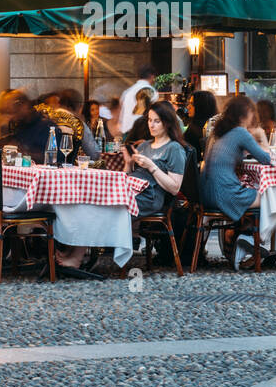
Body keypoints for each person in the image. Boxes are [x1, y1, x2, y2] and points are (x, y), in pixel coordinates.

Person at [54, 101, 188, 273]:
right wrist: (128, 163)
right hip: (131, 189)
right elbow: (128, 175)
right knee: (92, 200)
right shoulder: (145, 145)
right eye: (149, 120)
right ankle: (74, 251)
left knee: (104, 206)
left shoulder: (174, 149)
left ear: (167, 123)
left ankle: (77, 257)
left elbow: (174, 188)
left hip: (151, 197)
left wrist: (151, 167)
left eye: (157, 121)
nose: (151, 125)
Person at [200, 95, 276, 269]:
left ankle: (245, 235)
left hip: (206, 193)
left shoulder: (219, 132)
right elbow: (265, 158)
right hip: (223, 193)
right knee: (272, 196)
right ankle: (251, 237)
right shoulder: (240, 132)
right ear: (247, 113)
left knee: (260, 195)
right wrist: (261, 135)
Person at [0, 89, 54, 163]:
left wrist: (23, 153)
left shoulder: (47, 127)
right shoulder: (21, 125)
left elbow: (53, 158)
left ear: (23, 106)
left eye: (12, 112)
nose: (11, 117)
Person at [58, 88, 101, 160]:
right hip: (66, 169)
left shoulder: (45, 117)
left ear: (59, 103)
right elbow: (94, 154)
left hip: (37, 168)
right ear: (79, 107)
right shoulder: (78, 124)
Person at [118, 65, 157, 133]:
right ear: (152, 76)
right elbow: (152, 112)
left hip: (125, 132)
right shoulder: (149, 90)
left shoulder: (127, 91)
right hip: (141, 133)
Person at [183, 90, 218, 158]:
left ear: (201, 106)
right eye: (189, 103)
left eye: (192, 104)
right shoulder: (216, 124)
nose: (188, 107)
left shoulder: (195, 128)